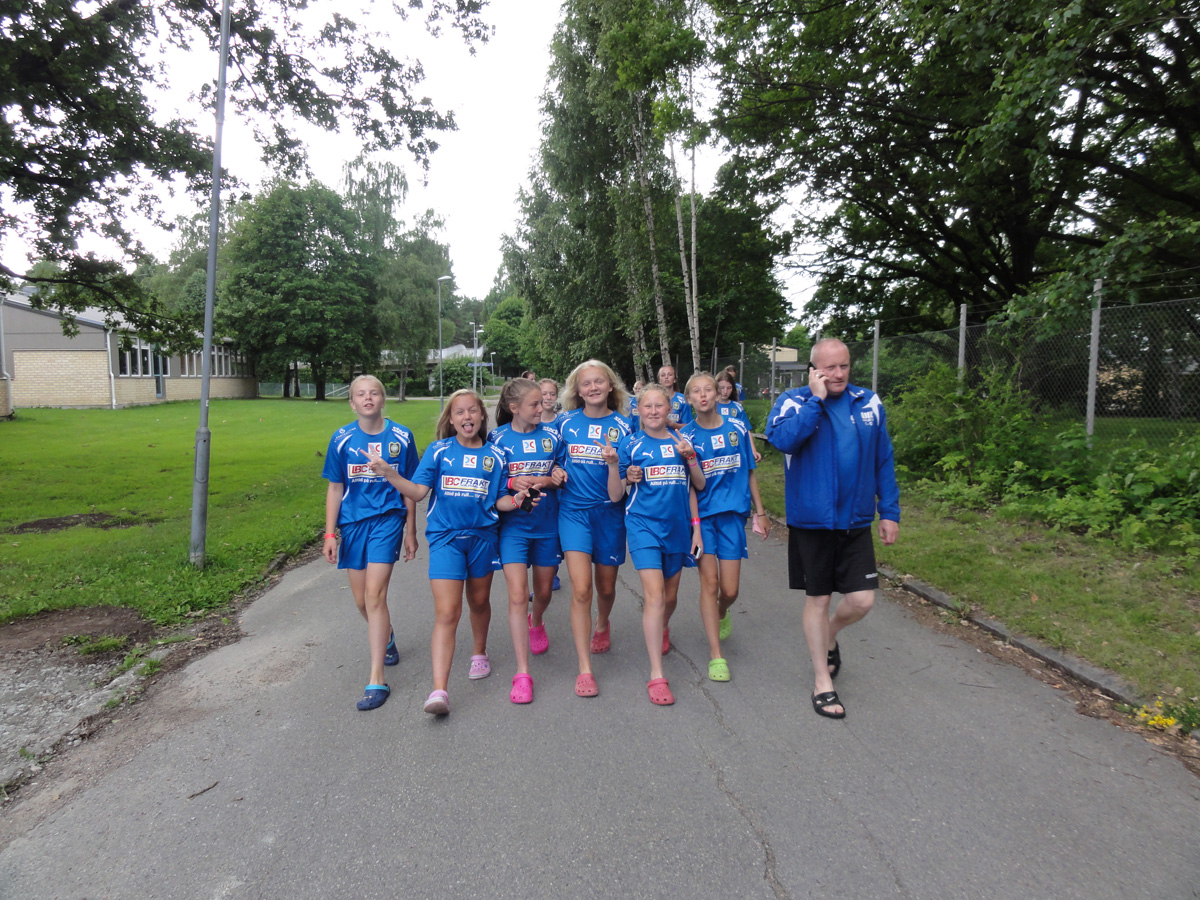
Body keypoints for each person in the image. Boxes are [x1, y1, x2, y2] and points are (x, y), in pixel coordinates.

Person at [369, 388, 535, 716]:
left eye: (472, 410)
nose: (467, 417)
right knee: (447, 612)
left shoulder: (496, 455)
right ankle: (439, 690)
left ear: (482, 416)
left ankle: (479, 652)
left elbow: (500, 500)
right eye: (459, 412)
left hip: (482, 538)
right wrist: (391, 474)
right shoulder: (439, 451)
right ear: (451, 419)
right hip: (446, 539)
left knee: (479, 602)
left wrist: (517, 500)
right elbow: (418, 492)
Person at [764, 338, 900, 719]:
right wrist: (816, 400)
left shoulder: (868, 403)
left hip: (855, 519)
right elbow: (783, 440)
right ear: (813, 370)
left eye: (844, 366)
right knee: (819, 599)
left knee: (862, 600)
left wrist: (889, 511)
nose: (838, 374)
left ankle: (830, 635)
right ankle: (822, 681)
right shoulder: (793, 402)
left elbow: (883, 459)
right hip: (813, 521)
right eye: (829, 368)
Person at [321, 375, 419, 711]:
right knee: (362, 601)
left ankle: (377, 679)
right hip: (353, 523)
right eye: (360, 394)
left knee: (375, 596)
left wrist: (410, 531)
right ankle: (387, 636)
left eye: (373, 393)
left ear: (382, 399)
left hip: (388, 520)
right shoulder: (342, 439)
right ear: (352, 403)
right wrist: (330, 533)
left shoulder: (402, 437)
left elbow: (409, 487)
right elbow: (335, 488)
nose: (367, 398)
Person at [608, 383, 705, 705]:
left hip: (677, 529)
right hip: (642, 525)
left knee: (670, 597)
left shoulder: (683, 441)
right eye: (646, 406)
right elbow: (616, 494)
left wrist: (690, 458)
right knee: (655, 596)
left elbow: (697, 485)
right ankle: (657, 675)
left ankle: (662, 627)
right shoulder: (630, 443)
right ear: (637, 410)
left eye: (659, 406)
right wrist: (626, 475)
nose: (652, 411)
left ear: (669, 409)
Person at [683, 372, 769, 683]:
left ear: (718, 393)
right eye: (696, 391)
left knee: (729, 590)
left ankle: (722, 611)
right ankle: (716, 655)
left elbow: (749, 471)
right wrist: (694, 527)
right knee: (710, 584)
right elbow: (689, 488)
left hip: (733, 516)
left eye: (708, 389)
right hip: (703, 519)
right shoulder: (686, 438)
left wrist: (761, 512)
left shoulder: (736, 428)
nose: (703, 395)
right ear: (689, 399)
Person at [555, 359, 633, 698]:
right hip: (573, 512)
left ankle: (602, 622)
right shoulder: (564, 423)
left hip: (610, 514)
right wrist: (555, 472)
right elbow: (552, 459)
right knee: (581, 589)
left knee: (606, 587)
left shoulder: (625, 425)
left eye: (598, 381)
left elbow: (632, 471)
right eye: (586, 383)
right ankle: (585, 669)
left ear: (610, 385)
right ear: (577, 390)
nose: (593, 388)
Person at [488, 379, 567, 703]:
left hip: (547, 526)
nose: (541, 407)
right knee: (519, 596)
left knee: (543, 593)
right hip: (513, 528)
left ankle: (538, 620)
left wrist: (550, 477)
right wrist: (511, 482)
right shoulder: (496, 439)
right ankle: (522, 673)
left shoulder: (552, 436)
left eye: (541, 403)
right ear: (514, 408)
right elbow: (491, 483)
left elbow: (560, 477)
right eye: (534, 404)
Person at [537, 377, 566, 591]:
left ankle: (552, 573)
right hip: (535, 482)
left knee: (554, 529)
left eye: (552, 394)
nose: (548, 398)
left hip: (557, 485)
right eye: (543, 394)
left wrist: (557, 468)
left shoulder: (562, 422)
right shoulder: (530, 420)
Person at [716, 370, 761, 462]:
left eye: (729, 388)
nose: (725, 391)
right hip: (717, 451)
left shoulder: (737, 407)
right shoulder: (710, 407)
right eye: (722, 388)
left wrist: (753, 450)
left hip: (736, 450)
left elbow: (746, 430)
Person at [657, 365, 694, 429]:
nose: (666, 377)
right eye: (663, 375)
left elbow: (689, 426)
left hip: (677, 435)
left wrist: (672, 424)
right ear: (659, 380)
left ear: (674, 379)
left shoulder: (683, 400)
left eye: (670, 374)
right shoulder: (653, 399)